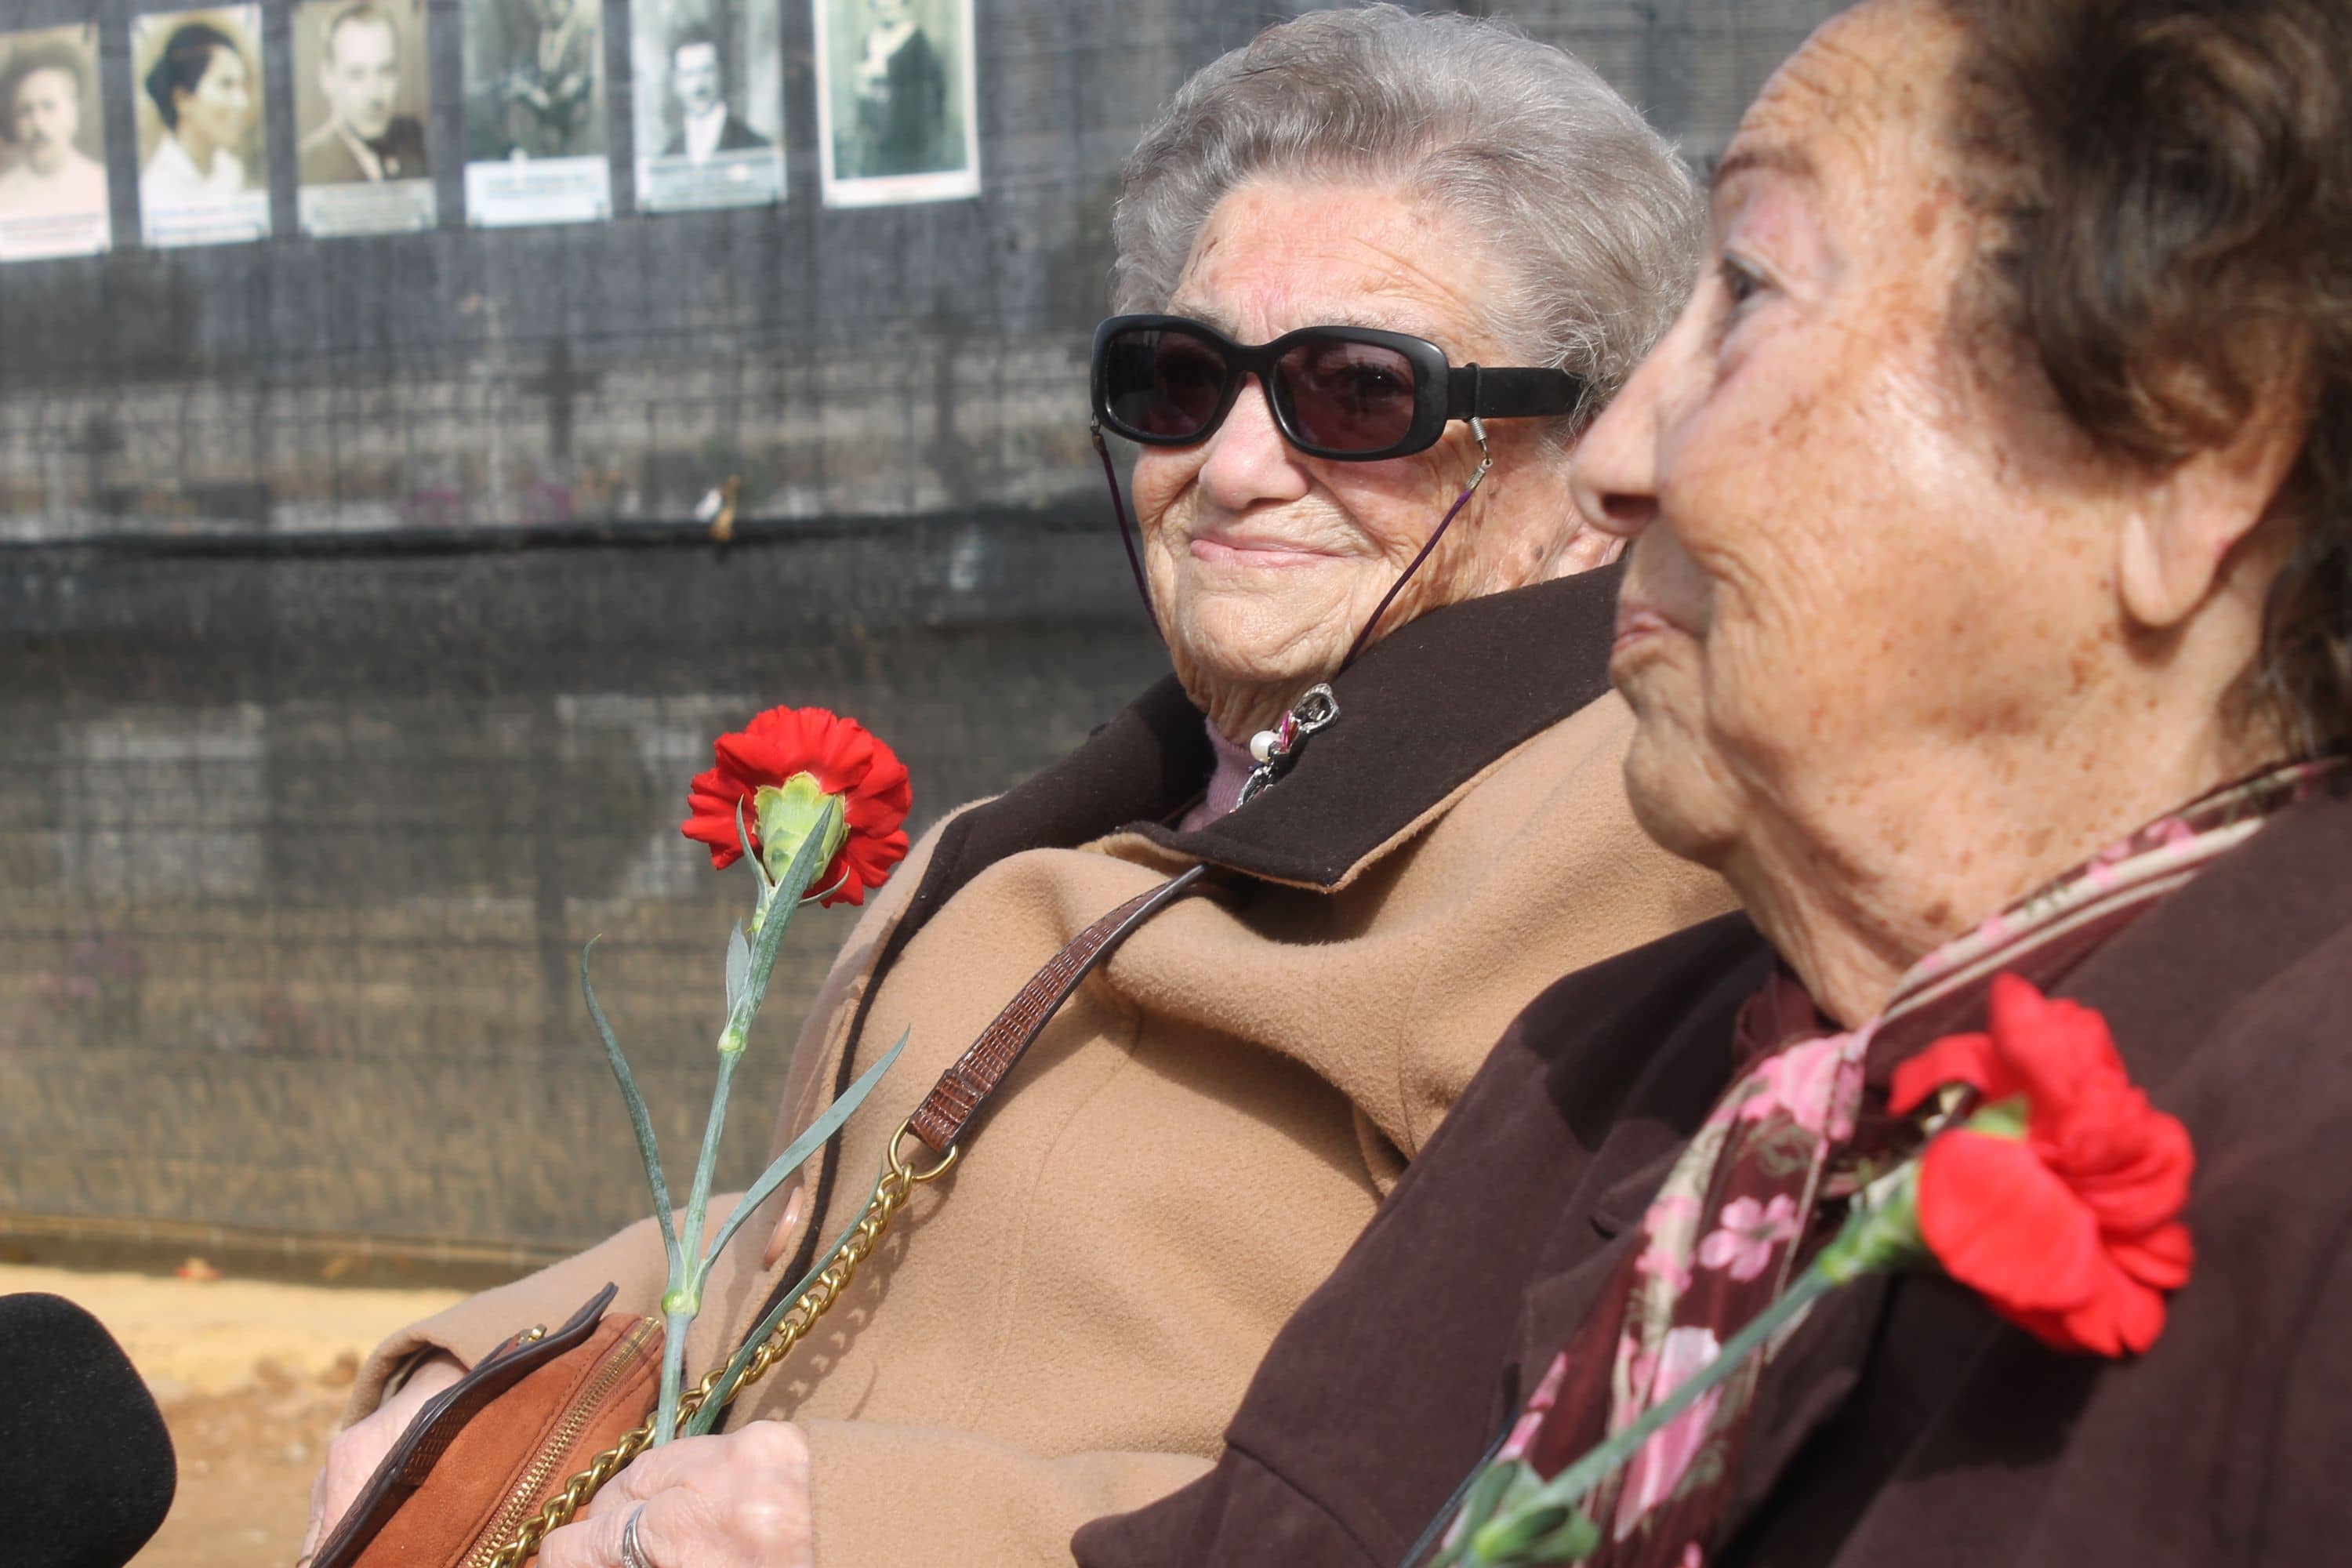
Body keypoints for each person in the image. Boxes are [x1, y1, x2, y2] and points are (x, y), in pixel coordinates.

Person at [306, 9, 1733, 1565]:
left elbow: (1515, 1474)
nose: (1236, 466)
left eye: (1354, 392)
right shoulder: (1116, 807)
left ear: (1596, 461)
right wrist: (486, 1370)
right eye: (1183, 379)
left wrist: (851, 1528)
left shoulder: (1633, 826)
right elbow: (812, 1234)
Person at [1075, 1, 2352, 1564]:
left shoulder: (2309, 1164)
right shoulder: (1624, 1060)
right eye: (1179, 378)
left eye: (1746, 294)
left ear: (2190, 446)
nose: (1618, 458)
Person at [299, 3, 427, 185]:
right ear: (327, 79)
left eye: (386, 72)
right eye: (357, 75)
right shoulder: (305, 167)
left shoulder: (419, 144)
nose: (374, 95)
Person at [139, 21, 255, 204]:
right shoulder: (155, 191)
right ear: (183, 100)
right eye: (226, 85)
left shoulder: (233, 173)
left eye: (242, 85)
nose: (243, 103)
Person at [0, 47, 106, 218]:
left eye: (48, 107)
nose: (38, 124)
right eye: (25, 111)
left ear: (74, 113)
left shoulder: (101, 185)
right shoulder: (3, 196)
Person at [849, 0, 944, 176]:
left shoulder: (916, 39)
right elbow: (863, 80)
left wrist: (885, 72)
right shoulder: (870, 39)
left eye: (891, 8)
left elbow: (930, 84)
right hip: (877, 123)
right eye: (881, 9)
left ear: (903, 7)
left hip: (907, 124)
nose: (887, 13)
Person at [501, 0, 595, 159]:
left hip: (567, 107)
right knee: (516, 108)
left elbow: (579, 79)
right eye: (546, 3)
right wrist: (530, 91)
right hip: (539, 104)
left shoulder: (582, 34)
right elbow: (526, 70)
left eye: (555, 2)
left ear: (568, 5)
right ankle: (521, 156)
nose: (549, 7)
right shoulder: (537, 33)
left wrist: (551, 100)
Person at [661, 27, 768, 163]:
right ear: (676, 83)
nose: (699, 85)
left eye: (706, 71)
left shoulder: (756, 148)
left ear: (722, 75)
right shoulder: (668, 158)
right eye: (689, 75)